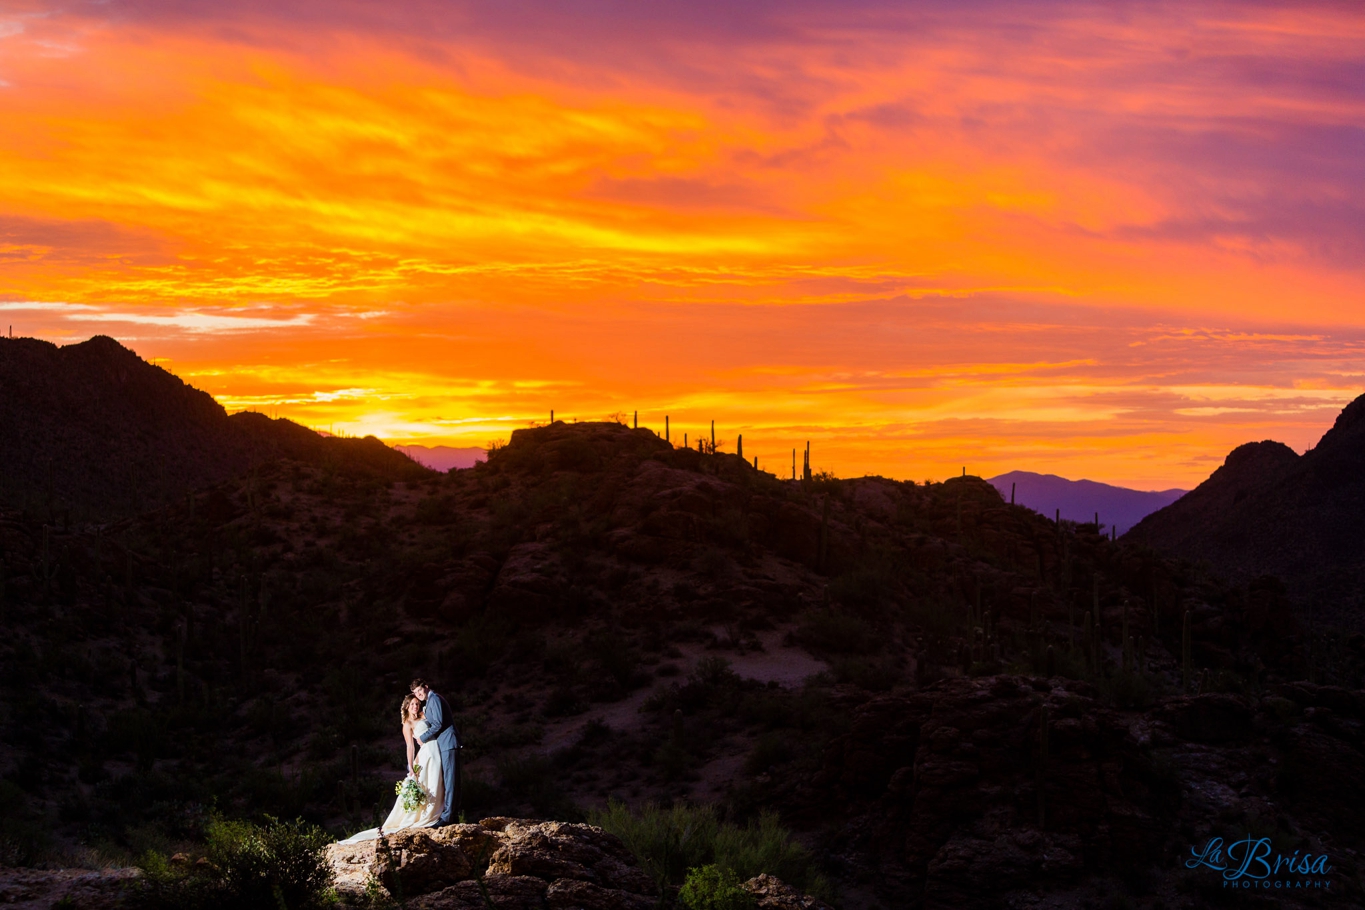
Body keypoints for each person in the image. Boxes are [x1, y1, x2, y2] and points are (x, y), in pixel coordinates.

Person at [338, 694, 444, 844]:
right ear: (407, 706)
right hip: (426, 752)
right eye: (412, 704)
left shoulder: (424, 714)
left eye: (417, 704)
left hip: (436, 749)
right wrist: (411, 766)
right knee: (428, 780)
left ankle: (439, 811)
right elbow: (409, 746)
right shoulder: (407, 724)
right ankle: (427, 813)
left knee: (437, 779)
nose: (415, 706)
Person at [410, 678, 460, 825]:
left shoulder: (435, 699)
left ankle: (447, 817)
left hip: (448, 743)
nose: (418, 694)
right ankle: (452, 815)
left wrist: (422, 738)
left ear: (426, 687)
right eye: (415, 692)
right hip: (443, 744)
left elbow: (438, 723)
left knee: (450, 781)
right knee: (449, 780)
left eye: (420, 690)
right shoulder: (429, 702)